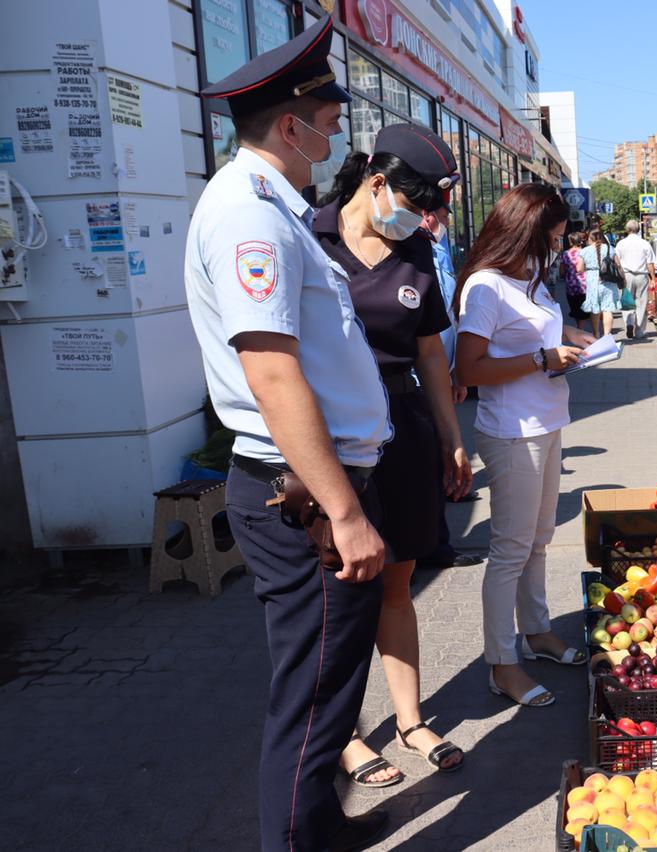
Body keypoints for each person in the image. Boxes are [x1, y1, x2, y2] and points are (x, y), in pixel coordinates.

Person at [186, 17, 390, 851]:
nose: (337, 123)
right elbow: (272, 375)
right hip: (303, 494)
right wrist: (344, 513)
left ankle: (317, 828)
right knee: (310, 702)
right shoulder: (248, 213)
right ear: (288, 122)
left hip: (313, 483)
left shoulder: (275, 202)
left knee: (327, 690)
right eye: (326, 110)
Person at [311, 123, 471, 788]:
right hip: (333, 443)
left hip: (403, 432)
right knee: (342, 594)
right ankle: (343, 733)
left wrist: (451, 436)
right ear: (377, 183)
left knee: (398, 585)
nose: (422, 219)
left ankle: (408, 719)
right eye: (417, 203)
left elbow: (430, 351)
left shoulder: (414, 255)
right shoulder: (308, 238)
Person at [454, 184, 596, 707]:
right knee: (510, 550)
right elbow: (468, 369)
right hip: (512, 431)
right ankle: (502, 664)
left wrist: (577, 341)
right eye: (551, 239)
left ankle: (536, 633)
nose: (556, 249)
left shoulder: (529, 280)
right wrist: (542, 361)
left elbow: (535, 338)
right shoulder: (486, 287)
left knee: (536, 540)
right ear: (524, 234)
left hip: (546, 422)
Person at [421, 203, 486, 570]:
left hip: (440, 369)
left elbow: (449, 310)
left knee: (441, 452)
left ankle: (444, 511)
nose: (448, 223)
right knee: (429, 457)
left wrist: (454, 370)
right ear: (429, 214)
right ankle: (432, 548)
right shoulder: (411, 248)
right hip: (418, 378)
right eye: (444, 215)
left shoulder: (438, 246)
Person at [614, 219, 656, 339]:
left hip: (626, 275)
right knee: (641, 303)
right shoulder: (644, 243)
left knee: (627, 302)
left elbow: (616, 262)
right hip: (641, 276)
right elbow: (650, 263)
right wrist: (653, 278)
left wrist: (620, 275)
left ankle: (629, 323)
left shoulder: (621, 243)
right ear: (638, 229)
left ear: (627, 230)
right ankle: (639, 332)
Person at [577, 228, 619, 338]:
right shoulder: (611, 249)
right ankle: (607, 336)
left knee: (595, 309)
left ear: (590, 238)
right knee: (607, 309)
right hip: (608, 281)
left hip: (592, 281)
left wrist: (590, 268)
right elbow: (618, 265)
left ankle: (596, 334)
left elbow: (579, 268)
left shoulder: (585, 251)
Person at [559, 231, 591, 330]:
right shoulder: (585, 252)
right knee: (583, 309)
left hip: (570, 285)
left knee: (575, 308)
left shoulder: (565, 254)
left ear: (570, 241)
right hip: (584, 284)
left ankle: (579, 328)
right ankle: (580, 329)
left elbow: (561, 271)